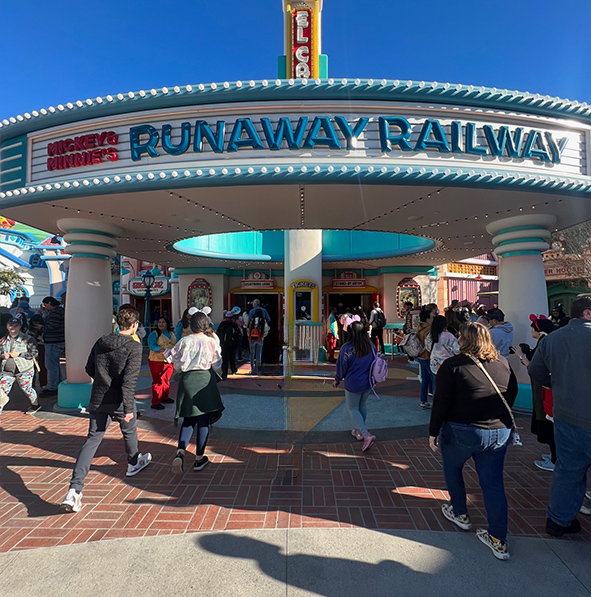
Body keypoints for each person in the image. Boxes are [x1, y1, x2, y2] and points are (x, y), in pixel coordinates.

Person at [429, 322, 518, 561]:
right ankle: (499, 539)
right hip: (499, 431)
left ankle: (460, 513)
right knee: (493, 484)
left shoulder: (452, 366)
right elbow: (511, 394)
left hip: (462, 430)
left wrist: (433, 431)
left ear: (464, 339)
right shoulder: (503, 363)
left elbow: (441, 401)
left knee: (453, 469)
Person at [60, 307, 152, 513]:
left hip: (99, 396)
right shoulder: (134, 347)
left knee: (92, 439)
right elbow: (129, 381)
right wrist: (129, 407)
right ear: (135, 325)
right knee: (129, 430)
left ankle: (74, 490)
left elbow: (89, 368)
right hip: (120, 398)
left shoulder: (101, 341)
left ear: (118, 323)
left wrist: (102, 380)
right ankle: (133, 461)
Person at [528, 295, 591, 537]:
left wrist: (560, 386)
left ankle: (558, 520)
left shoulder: (552, 339)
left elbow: (536, 371)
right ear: (587, 313)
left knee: (568, 470)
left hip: (565, 414)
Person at [168, 311, 224, 474]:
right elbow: (217, 363)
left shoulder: (184, 341)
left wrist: (181, 369)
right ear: (206, 325)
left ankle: (180, 452)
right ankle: (199, 459)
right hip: (204, 380)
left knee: (188, 419)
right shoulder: (211, 341)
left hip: (187, 380)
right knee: (203, 420)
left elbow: (174, 360)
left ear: (191, 325)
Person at [511, 316, 557, 472]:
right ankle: (553, 455)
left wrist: (522, 356)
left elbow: (535, 368)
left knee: (548, 420)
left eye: (532, 328)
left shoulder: (545, 342)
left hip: (545, 388)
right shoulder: (548, 342)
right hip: (545, 388)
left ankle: (555, 458)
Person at [332, 320, 377, 452]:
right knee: (362, 405)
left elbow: (341, 365)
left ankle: (365, 434)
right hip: (369, 381)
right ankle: (358, 430)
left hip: (353, 382)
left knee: (352, 407)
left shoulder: (347, 348)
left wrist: (337, 379)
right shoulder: (370, 345)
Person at [0, 317, 40, 415]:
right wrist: (2, 356)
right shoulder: (2, 340)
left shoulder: (28, 339)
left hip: (24, 370)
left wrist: (19, 354)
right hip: (7, 371)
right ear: (7, 326)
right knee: (2, 391)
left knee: (27, 389)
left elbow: (34, 353)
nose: (13, 327)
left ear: (20, 326)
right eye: (11, 325)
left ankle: (35, 404)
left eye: (16, 325)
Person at [147, 317, 176, 410]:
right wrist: (162, 350)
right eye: (159, 322)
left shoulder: (171, 333)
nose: (161, 324)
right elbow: (152, 345)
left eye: (163, 322)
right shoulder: (154, 334)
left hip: (169, 360)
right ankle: (156, 401)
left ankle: (165, 397)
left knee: (166, 380)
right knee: (158, 381)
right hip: (157, 361)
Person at [41, 296, 65, 395]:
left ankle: (53, 387)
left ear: (50, 303)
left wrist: (42, 328)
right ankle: (57, 385)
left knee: (51, 365)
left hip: (53, 341)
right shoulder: (61, 311)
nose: (45, 307)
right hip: (59, 340)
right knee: (55, 365)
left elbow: (52, 326)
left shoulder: (55, 312)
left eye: (46, 305)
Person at [416, 306, 436, 409]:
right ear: (428, 319)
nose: (434, 319)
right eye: (432, 317)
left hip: (420, 356)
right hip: (428, 356)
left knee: (425, 380)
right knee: (434, 380)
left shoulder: (419, 328)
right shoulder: (429, 330)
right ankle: (436, 402)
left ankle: (423, 400)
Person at [248, 299, 270, 375]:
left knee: (252, 353)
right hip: (260, 338)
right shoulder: (264, 312)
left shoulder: (251, 313)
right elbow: (268, 321)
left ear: (254, 304)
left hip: (252, 338)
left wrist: (249, 336)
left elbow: (248, 327)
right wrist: (263, 336)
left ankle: (252, 369)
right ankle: (258, 369)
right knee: (258, 353)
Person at [216, 311, 241, 379]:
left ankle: (224, 373)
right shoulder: (234, 324)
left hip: (223, 344)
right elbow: (238, 334)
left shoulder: (222, 324)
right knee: (232, 358)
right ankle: (233, 370)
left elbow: (217, 333)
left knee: (225, 359)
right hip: (232, 345)